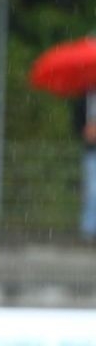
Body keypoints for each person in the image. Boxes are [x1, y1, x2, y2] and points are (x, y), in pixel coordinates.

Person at [73, 91, 96, 241]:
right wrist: (85, 131)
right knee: (92, 191)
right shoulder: (83, 99)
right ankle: (89, 229)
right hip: (91, 151)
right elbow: (76, 123)